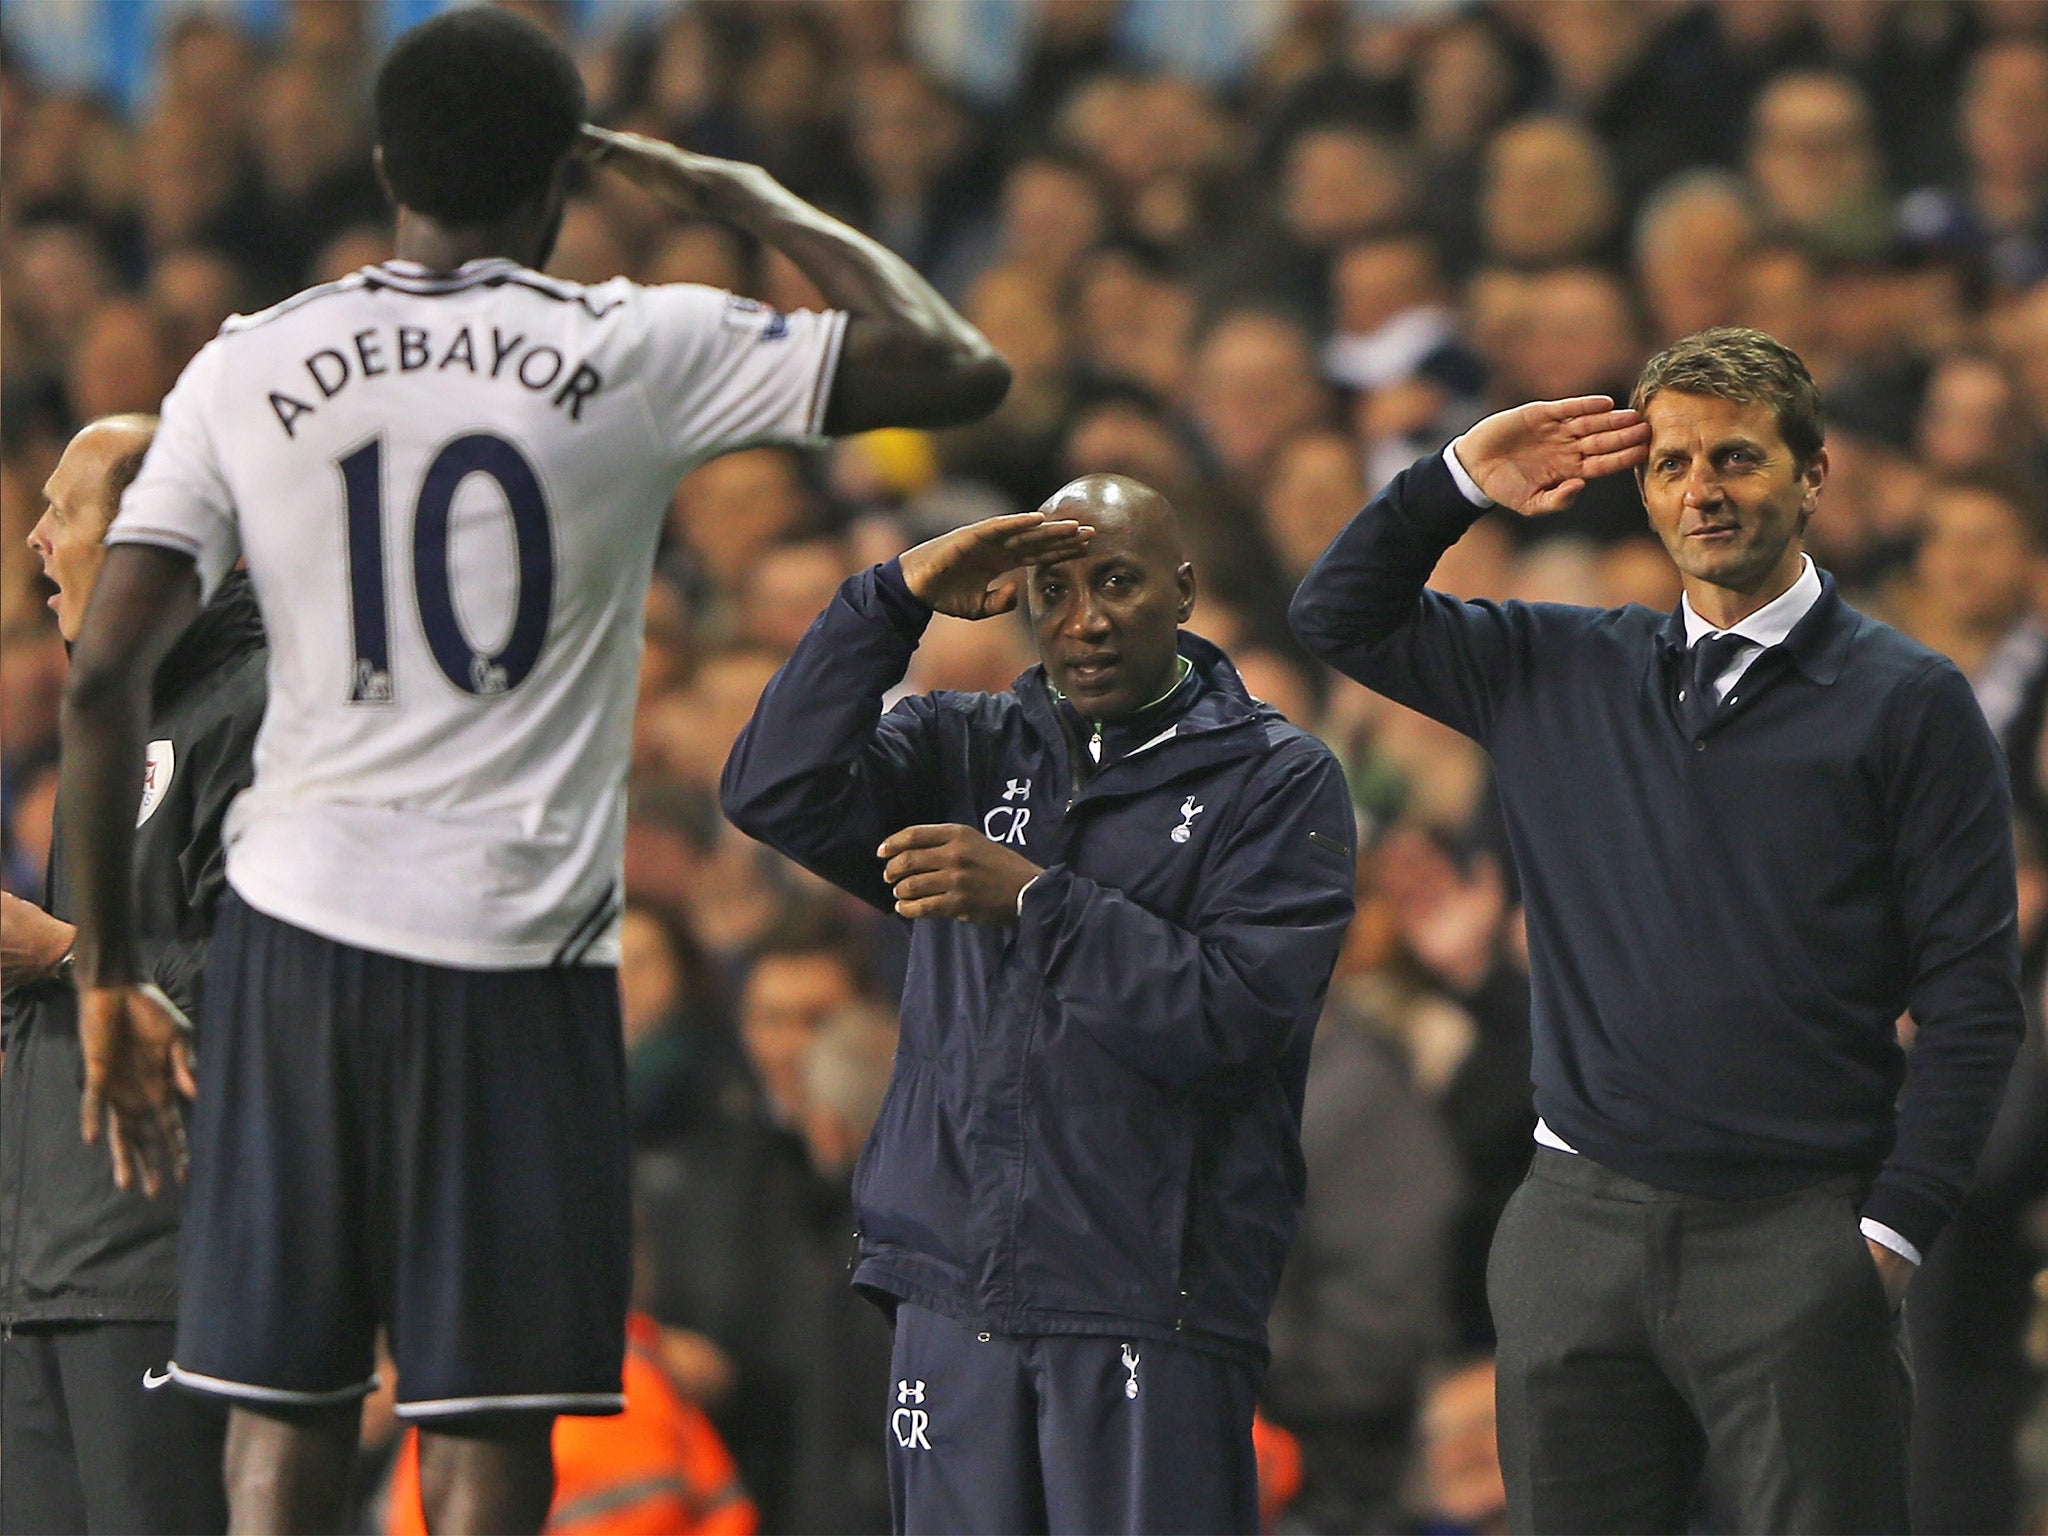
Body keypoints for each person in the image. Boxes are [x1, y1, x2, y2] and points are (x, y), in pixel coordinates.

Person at [53, 10, 1008, 1534]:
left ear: (383, 166)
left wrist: (107, 973)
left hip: (297, 942)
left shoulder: (252, 361)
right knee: (486, 1416)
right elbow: (961, 366)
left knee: (283, 1408)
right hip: (519, 953)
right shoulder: (635, 341)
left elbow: (102, 675)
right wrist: (737, 196)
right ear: (567, 178)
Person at [1289, 327, 2026, 1534]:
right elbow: (1337, 613)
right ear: (1638, 487)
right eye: (1672, 463)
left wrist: (1891, 1233)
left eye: (1735, 458)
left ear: (1811, 476)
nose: (1702, 490)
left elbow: (1969, 995)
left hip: (1799, 1228)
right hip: (1574, 1227)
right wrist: (1459, 477)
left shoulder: (1909, 702)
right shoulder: (1557, 663)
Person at [721, 473, 1357, 1533]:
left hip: (1146, 1296)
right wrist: (891, 598)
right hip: (950, 1283)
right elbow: (772, 789)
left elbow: (1234, 1020)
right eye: (1050, 591)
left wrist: (1032, 902)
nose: (1085, 620)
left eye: (1116, 582)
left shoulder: (1276, 781)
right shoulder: (958, 746)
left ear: (1183, 590)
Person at [1, 414, 264, 1534]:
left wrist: (59, 951)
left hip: (171, 1273)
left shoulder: (261, 710)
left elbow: (282, 982)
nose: (33, 540)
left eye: (64, 511)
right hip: (48, 1270)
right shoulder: (113, 721)